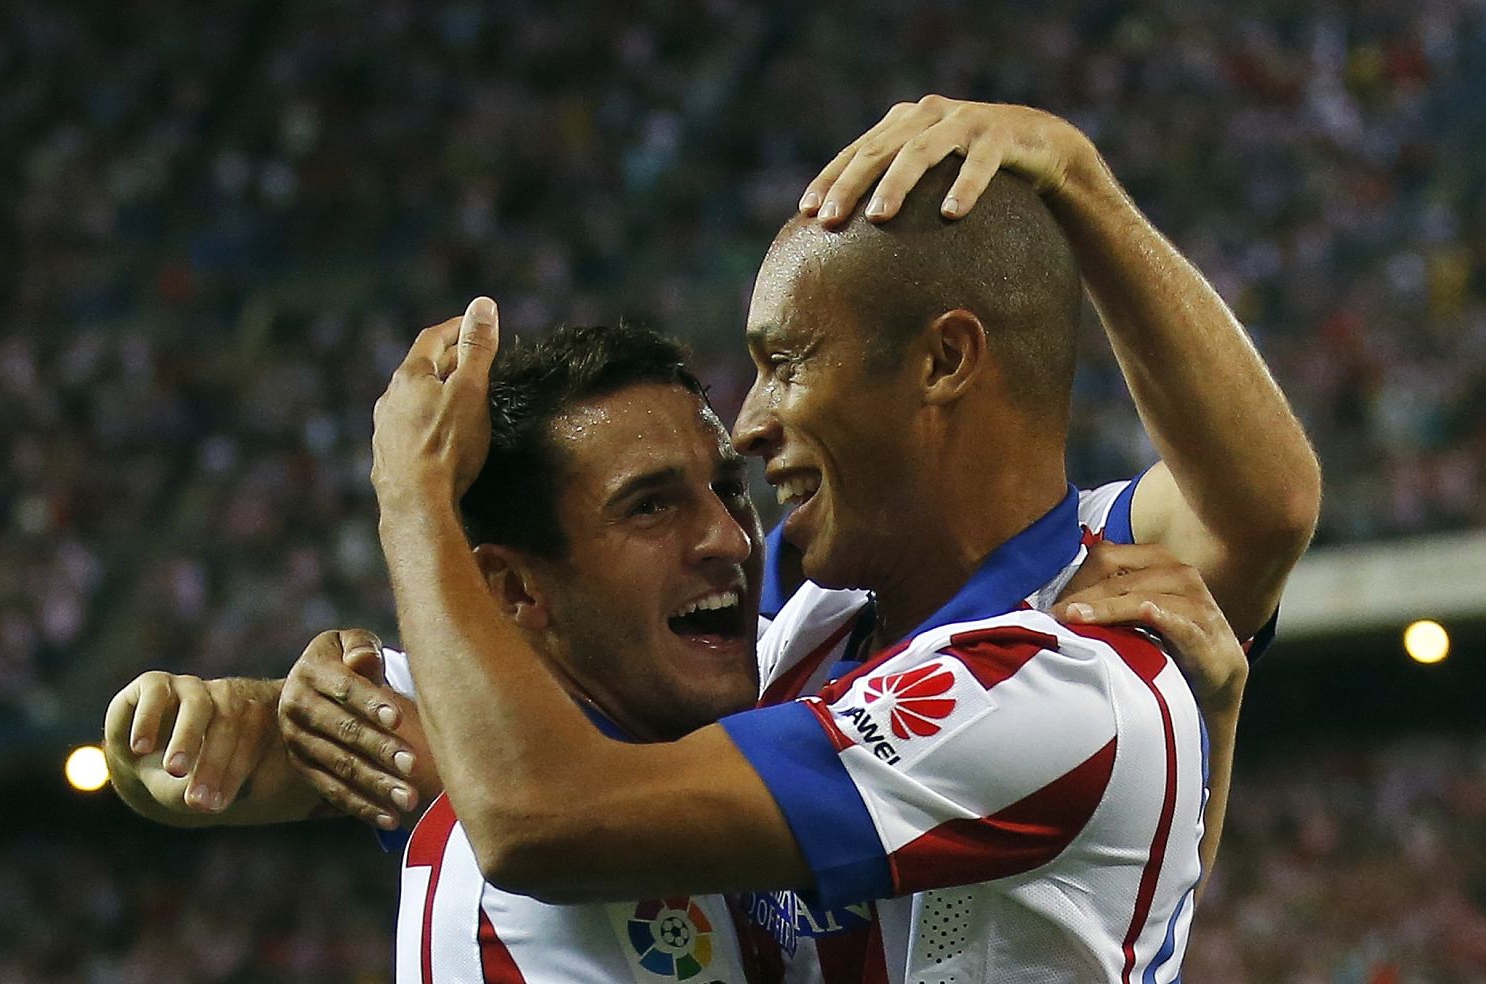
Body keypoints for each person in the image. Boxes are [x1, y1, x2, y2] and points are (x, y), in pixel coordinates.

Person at [107, 313, 1249, 982]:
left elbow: (1257, 507)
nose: (725, 538)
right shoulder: (505, 881)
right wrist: (410, 501)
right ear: (514, 592)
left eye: (720, 489)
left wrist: (1200, 724)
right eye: (650, 507)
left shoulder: (789, 672)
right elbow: (511, 806)